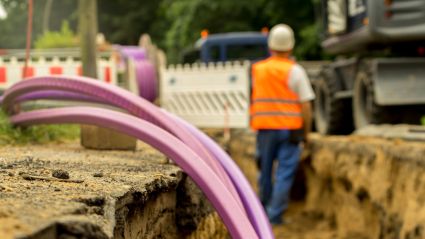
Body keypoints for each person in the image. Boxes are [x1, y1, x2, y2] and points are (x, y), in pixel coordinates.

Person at [250, 24, 315, 225]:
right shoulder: (295, 71)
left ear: (270, 46)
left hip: (265, 129)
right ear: (291, 47)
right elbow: (306, 105)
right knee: (284, 174)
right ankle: (274, 216)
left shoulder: (258, 70)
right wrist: (307, 133)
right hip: (290, 130)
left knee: (265, 171)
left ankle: (262, 213)